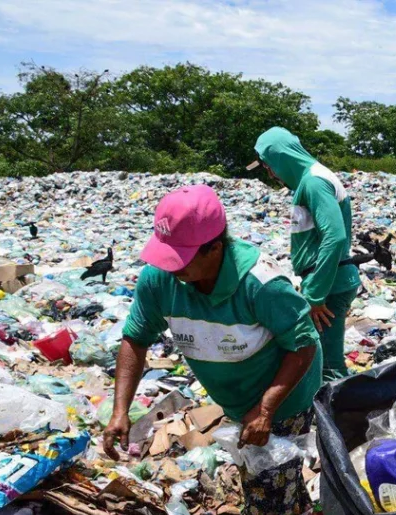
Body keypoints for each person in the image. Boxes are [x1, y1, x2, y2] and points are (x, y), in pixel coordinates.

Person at [103, 184, 322, 460]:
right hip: (236, 401)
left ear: (215, 249)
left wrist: (266, 409)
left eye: (181, 258)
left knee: (269, 487)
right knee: (274, 483)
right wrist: (120, 410)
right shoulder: (159, 278)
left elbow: (303, 343)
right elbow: (136, 339)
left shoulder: (260, 283)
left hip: (284, 399)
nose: (171, 266)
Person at [251, 127, 360, 381]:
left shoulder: (314, 182)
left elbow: (335, 237)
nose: (272, 173)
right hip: (329, 281)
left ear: (280, 158)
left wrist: (315, 295)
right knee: (321, 359)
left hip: (329, 286)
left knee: (327, 365)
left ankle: (341, 416)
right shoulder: (312, 179)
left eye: (269, 166)